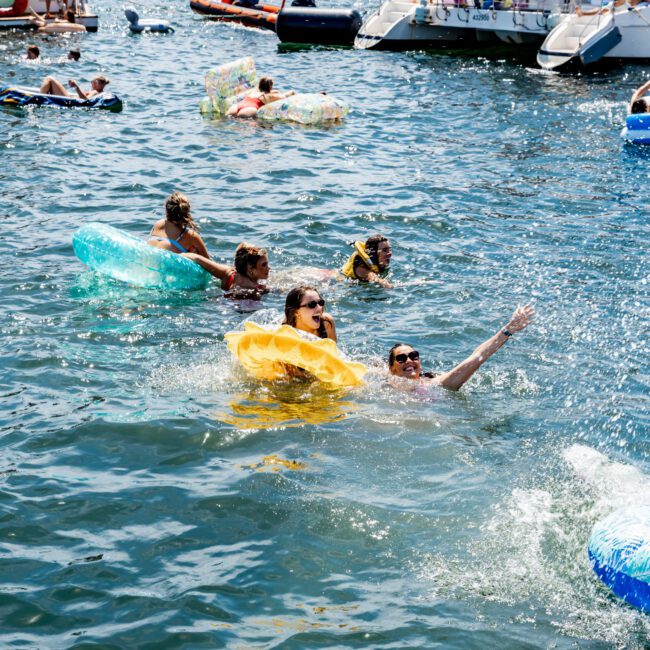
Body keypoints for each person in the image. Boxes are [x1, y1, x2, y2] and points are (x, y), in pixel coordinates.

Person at [388, 304, 534, 390]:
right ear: (392, 368)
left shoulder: (435, 385)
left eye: (413, 356)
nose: (409, 360)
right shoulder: (386, 381)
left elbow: (476, 358)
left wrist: (509, 329)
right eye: (401, 358)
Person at [184, 243, 270, 297]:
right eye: (264, 265)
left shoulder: (229, 273)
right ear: (250, 268)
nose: (268, 268)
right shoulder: (259, 289)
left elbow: (196, 258)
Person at [148, 192, 210, 258]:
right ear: (187, 212)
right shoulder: (191, 236)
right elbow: (209, 263)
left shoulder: (158, 225)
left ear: (166, 210)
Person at [226, 76, 296, 118]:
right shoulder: (268, 96)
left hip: (236, 106)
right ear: (270, 87)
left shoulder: (252, 92)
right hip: (250, 109)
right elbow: (284, 96)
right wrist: (292, 92)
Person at [39, 74, 109, 99]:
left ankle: (39, 98)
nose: (92, 84)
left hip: (67, 101)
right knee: (49, 80)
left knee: (49, 79)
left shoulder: (95, 92)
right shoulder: (96, 93)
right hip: (69, 99)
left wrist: (76, 87)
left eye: (95, 82)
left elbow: (85, 100)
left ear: (102, 85)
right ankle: (40, 96)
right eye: (91, 82)